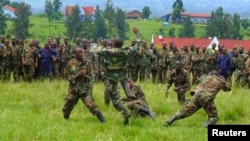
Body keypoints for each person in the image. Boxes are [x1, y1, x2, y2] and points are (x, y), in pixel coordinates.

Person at [93, 28, 141, 125]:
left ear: (113, 44)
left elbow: (95, 50)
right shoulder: (126, 51)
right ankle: (129, 93)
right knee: (124, 80)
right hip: (123, 76)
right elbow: (137, 46)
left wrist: (96, 44)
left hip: (111, 78)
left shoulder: (107, 51)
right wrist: (138, 35)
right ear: (122, 44)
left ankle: (125, 112)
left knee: (115, 101)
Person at [164, 70, 231, 128]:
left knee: (184, 112)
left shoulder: (205, 77)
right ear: (217, 75)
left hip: (196, 95)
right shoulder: (219, 80)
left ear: (210, 74)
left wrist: (207, 77)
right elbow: (228, 88)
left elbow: (197, 81)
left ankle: (168, 122)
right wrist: (223, 80)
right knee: (214, 117)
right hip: (206, 96)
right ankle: (205, 127)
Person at [62, 47, 105, 123]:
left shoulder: (87, 63)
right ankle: (66, 120)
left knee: (91, 105)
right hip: (73, 89)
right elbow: (66, 76)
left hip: (84, 89)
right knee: (67, 105)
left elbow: (92, 76)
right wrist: (76, 76)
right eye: (79, 52)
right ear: (75, 53)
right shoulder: (71, 63)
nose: (81, 54)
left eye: (82, 52)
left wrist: (85, 76)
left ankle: (103, 121)